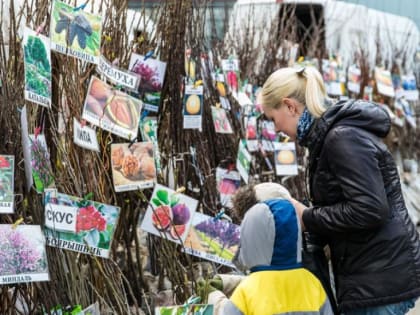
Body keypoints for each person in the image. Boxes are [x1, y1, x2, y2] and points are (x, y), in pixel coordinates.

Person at [260, 66, 420, 315]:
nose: (276, 128)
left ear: (290, 106)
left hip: (379, 279)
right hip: (372, 275)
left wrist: (308, 217)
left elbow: (370, 208)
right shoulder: (325, 138)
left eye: (272, 118)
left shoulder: (341, 138)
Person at [203, 182, 333, 315]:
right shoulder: (311, 279)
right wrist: (227, 283)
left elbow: (263, 290)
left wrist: (214, 297)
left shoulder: (249, 289)